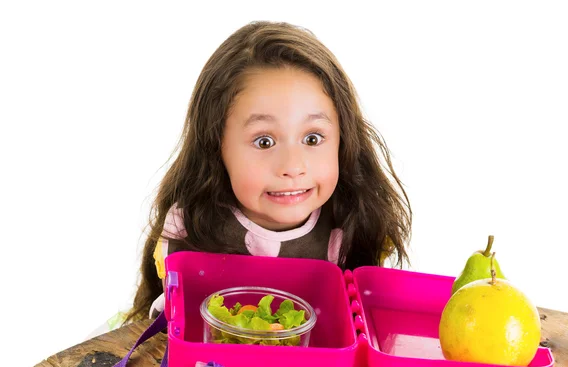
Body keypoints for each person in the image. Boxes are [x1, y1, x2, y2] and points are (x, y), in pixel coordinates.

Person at [116, 20, 412, 327]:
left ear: (343, 140)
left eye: (312, 138)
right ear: (216, 146)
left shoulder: (350, 224)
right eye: (264, 141)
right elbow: (180, 331)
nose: (292, 167)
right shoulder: (193, 227)